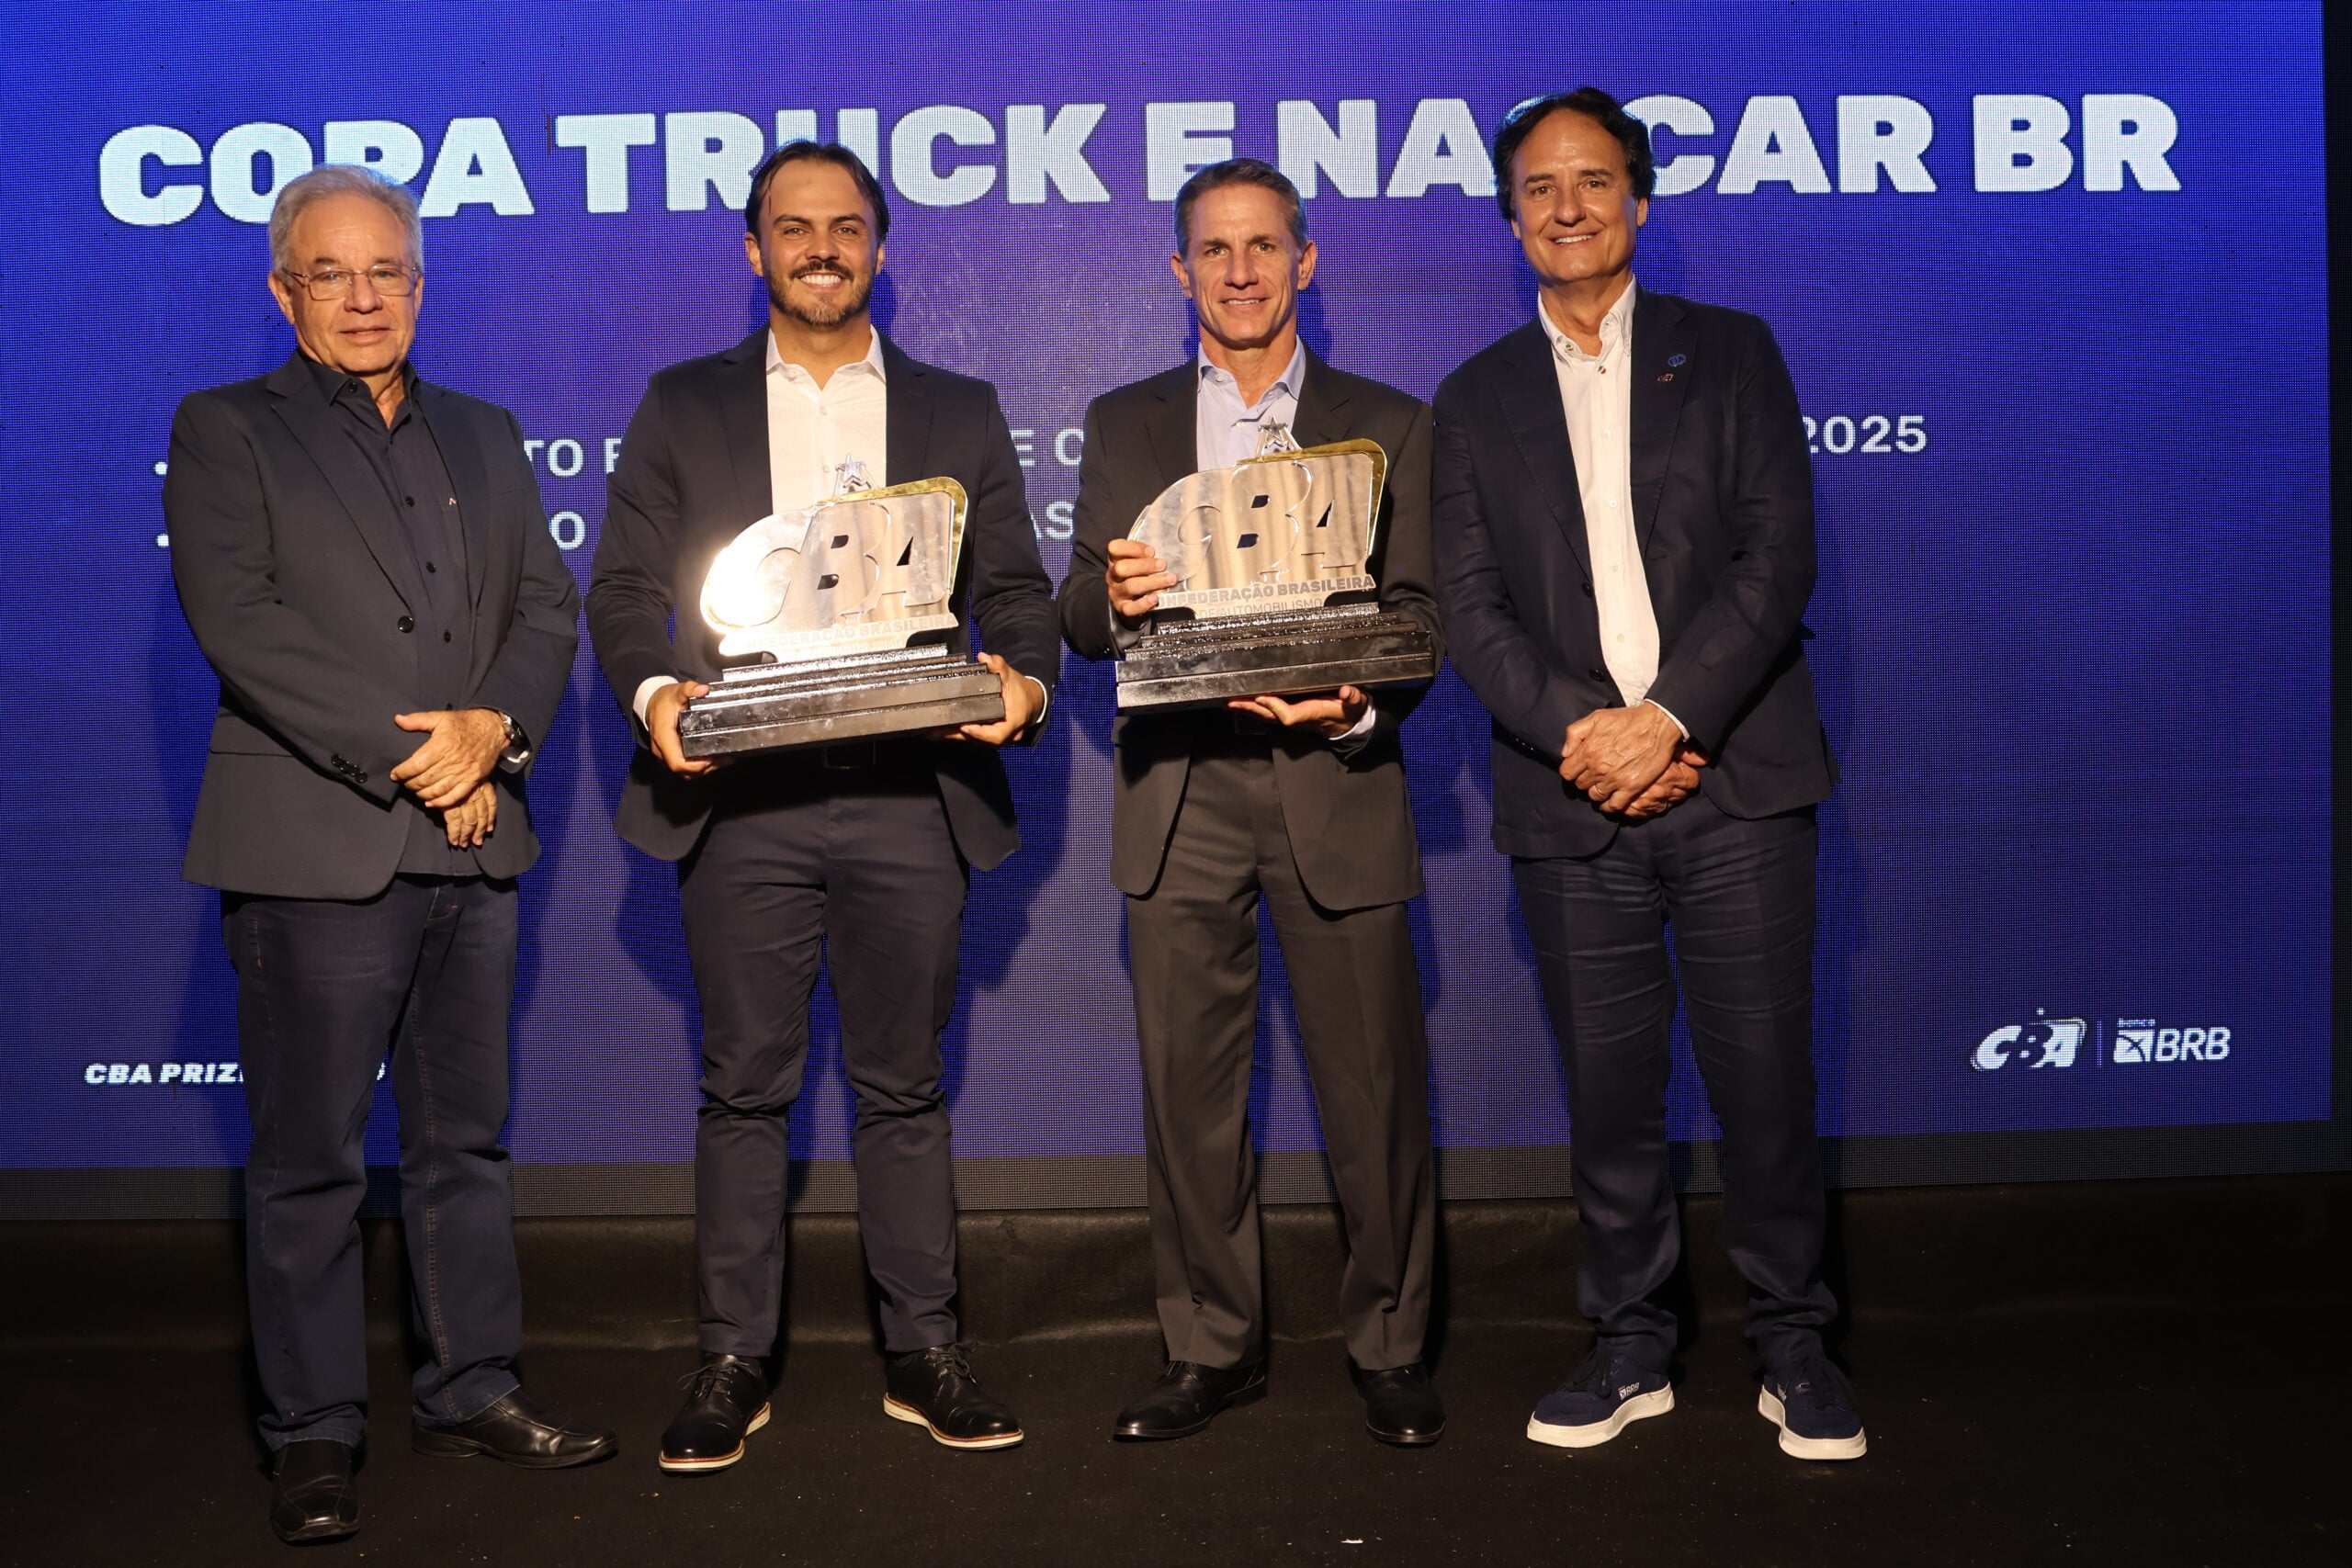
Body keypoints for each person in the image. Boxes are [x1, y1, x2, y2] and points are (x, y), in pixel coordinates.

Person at [587, 141, 1057, 1471]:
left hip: (911, 796)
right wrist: (654, 697)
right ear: (754, 250)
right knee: (744, 1090)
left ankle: (925, 1351)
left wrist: (1018, 689)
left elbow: (1018, 591)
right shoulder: (683, 406)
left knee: (904, 1088)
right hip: (743, 802)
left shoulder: (958, 410)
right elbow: (623, 594)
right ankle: (734, 1358)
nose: (821, 248)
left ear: (882, 246)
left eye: (846, 226)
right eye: (794, 228)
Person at [165, 164, 611, 1546]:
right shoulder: (225, 429)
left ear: (420, 283)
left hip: (477, 845)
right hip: (317, 849)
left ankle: (471, 1386)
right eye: (333, 275)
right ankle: (312, 1432)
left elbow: (545, 610)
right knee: (306, 1159)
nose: (365, 299)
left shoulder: (486, 431)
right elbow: (241, 621)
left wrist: (493, 732)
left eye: (389, 273)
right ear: (283, 290)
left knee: (463, 1146)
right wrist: (426, 758)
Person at [1431, 88, 1862, 1461]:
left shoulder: (1730, 355)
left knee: (1764, 1086)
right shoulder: (1474, 395)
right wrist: (1590, 734)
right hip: (1572, 801)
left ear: (1639, 198)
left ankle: (1795, 1346)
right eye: (1542, 187)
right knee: (1611, 1099)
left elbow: (1774, 559)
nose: (1569, 206)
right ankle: (1631, 1345)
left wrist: (1669, 719)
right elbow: (1471, 606)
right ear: (1511, 214)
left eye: (1595, 181)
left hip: (1733, 785)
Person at [1058, 158, 1445, 1448]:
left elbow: (1423, 621)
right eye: (1214, 250)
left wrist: (1351, 705)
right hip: (1179, 791)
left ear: (1305, 263)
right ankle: (1209, 1347)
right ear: (1180, 274)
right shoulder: (1122, 425)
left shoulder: (1388, 421)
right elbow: (1075, 616)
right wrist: (1110, 599)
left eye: (1263, 247)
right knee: (1190, 1100)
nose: (1239, 270)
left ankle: (1390, 1346)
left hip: (1333, 778)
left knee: (1375, 1089)